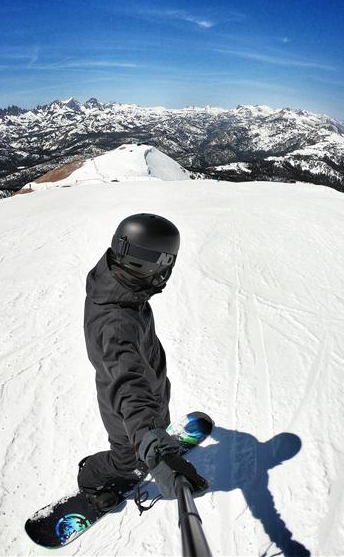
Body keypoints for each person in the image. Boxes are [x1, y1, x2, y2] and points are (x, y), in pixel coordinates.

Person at [77, 213, 205, 512]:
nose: (166, 272)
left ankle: (152, 436)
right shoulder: (117, 320)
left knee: (158, 419)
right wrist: (153, 444)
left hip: (150, 391)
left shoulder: (121, 287)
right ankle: (91, 480)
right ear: (148, 264)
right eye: (166, 263)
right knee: (127, 461)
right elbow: (128, 386)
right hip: (127, 412)